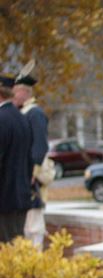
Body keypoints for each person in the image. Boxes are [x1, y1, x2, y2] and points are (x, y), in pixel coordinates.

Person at [13, 65, 49, 248]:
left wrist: (33, 171)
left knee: (34, 224)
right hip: (24, 174)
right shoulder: (22, 113)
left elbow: (40, 146)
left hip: (31, 176)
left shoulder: (34, 113)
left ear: (23, 92)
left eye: (15, 92)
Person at [0, 72, 33, 242]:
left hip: (4, 199)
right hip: (21, 195)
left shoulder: (2, 119)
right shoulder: (22, 118)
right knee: (17, 250)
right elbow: (29, 160)